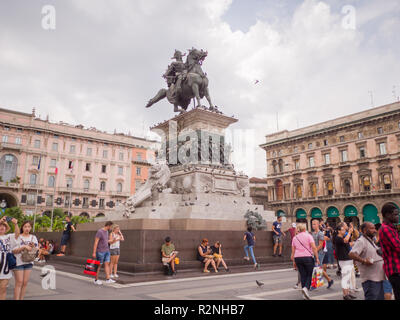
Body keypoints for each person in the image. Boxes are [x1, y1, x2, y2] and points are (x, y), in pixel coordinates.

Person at [348, 222, 385, 300]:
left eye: (374, 228)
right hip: (370, 280)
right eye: (371, 228)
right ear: (364, 231)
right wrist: (364, 261)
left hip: (379, 278)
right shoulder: (361, 241)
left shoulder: (371, 240)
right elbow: (351, 254)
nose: (374, 230)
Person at [290, 223, 320, 300]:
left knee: (303, 275)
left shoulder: (295, 238)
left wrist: (293, 261)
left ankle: (304, 294)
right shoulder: (309, 236)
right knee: (309, 274)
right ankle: (306, 288)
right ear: (304, 229)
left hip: (298, 258)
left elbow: (293, 251)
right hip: (308, 257)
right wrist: (317, 257)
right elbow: (313, 247)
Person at [378, 203, 400, 300]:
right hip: (395, 269)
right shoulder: (386, 229)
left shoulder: (392, 228)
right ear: (387, 215)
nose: (398, 216)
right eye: (395, 214)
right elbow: (398, 247)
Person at [12, 221, 38, 300]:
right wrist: (23, 247)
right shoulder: (17, 237)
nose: (27, 228)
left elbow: (36, 250)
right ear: (22, 227)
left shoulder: (33, 237)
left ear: (31, 228)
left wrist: (33, 247)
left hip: (29, 262)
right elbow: (13, 251)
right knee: (19, 282)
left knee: (25, 283)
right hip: (18, 262)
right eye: (25, 227)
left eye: (29, 227)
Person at [334, 222, 357, 300]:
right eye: (343, 230)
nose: (344, 231)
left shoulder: (342, 238)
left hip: (348, 259)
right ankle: (345, 295)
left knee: (348, 277)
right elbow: (345, 241)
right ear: (339, 231)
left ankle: (348, 293)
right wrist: (350, 232)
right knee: (345, 277)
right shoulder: (338, 238)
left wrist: (353, 243)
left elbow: (347, 243)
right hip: (344, 260)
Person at [311, 219, 334, 289]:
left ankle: (315, 285)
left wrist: (314, 252)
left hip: (320, 252)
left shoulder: (320, 233)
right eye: (312, 224)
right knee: (317, 267)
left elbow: (320, 245)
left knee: (318, 267)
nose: (313, 225)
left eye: (315, 224)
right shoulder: (312, 233)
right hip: (315, 251)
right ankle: (329, 280)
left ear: (318, 225)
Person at [0, 217, 19, 300]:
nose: (2, 227)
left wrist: (15, 224)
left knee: (3, 289)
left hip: (5, 267)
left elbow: (17, 234)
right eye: (0, 225)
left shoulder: (9, 237)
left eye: (3, 226)